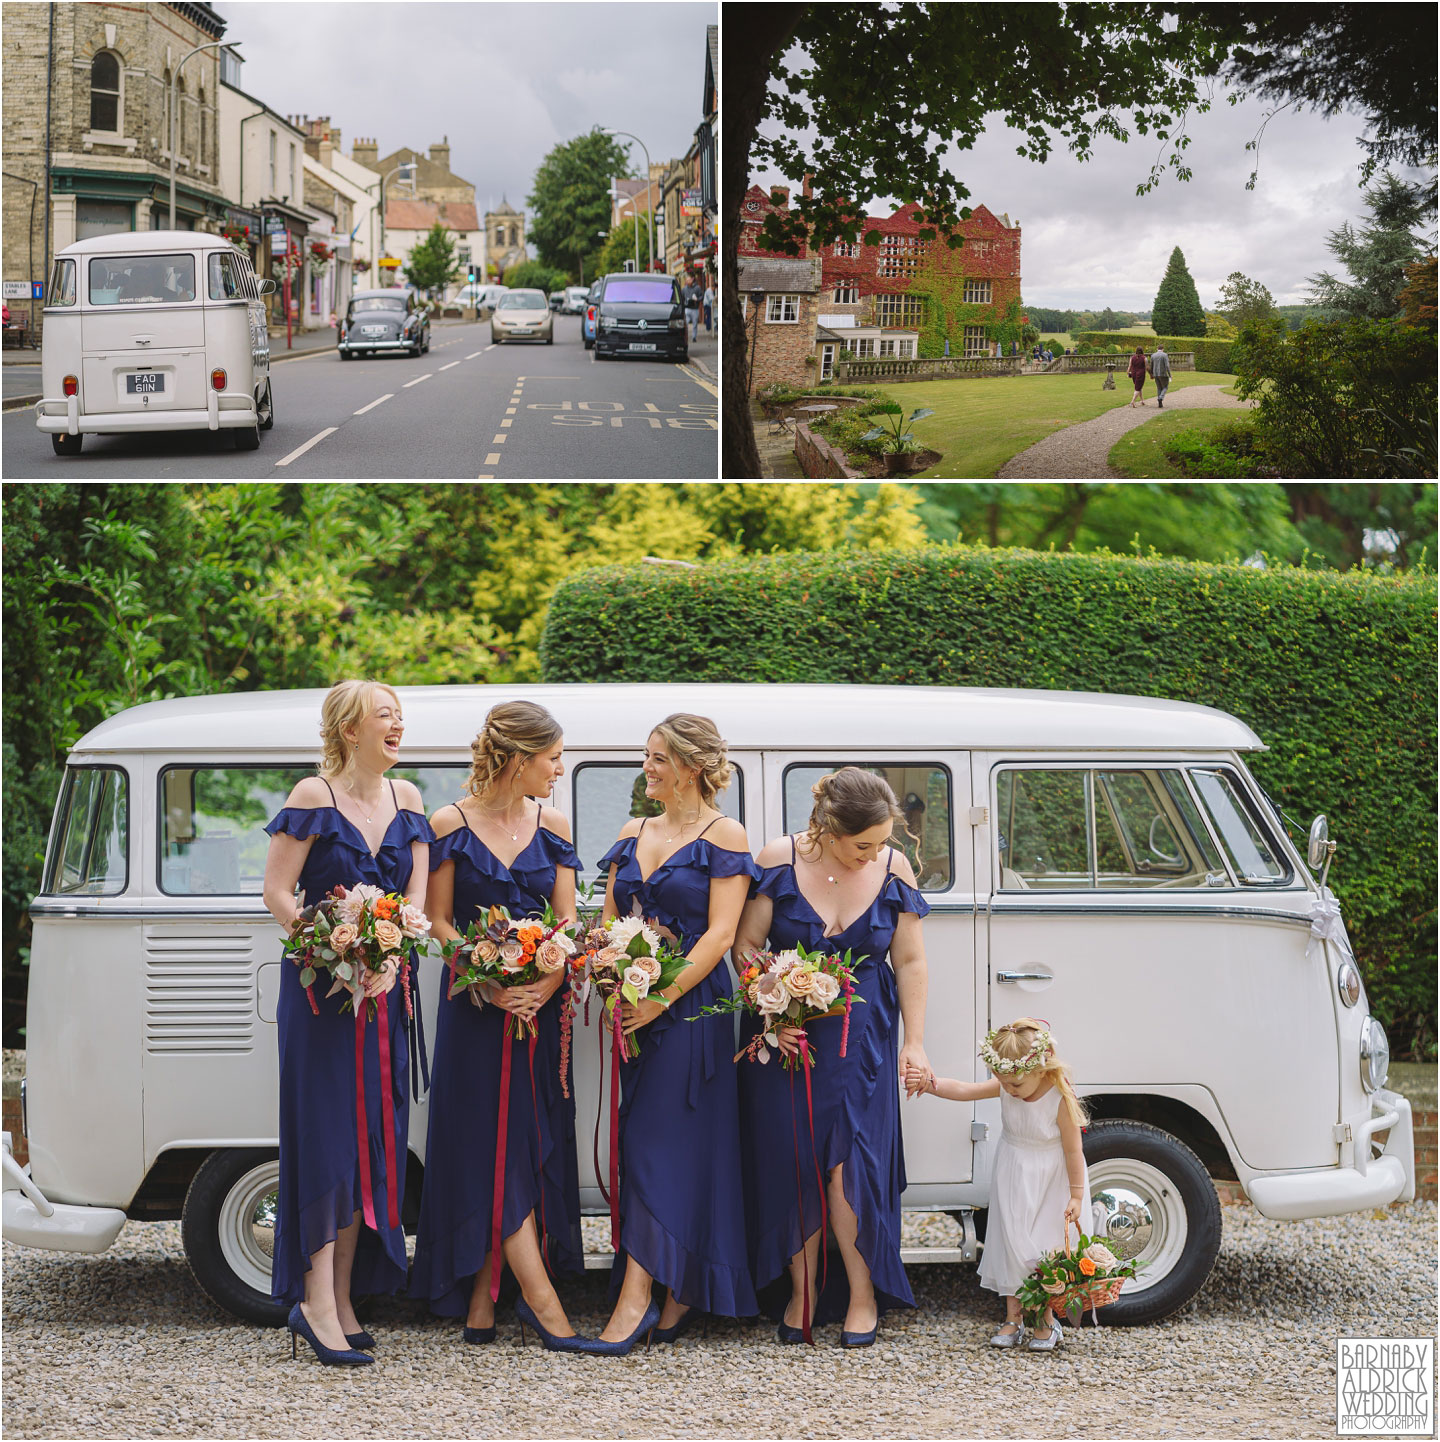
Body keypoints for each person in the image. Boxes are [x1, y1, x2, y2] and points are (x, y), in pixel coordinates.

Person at [409, 701, 593, 1354]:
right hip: (475, 1012)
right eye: (552, 758)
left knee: (524, 1143)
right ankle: (543, 1306)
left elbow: (568, 919)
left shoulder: (555, 823)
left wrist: (544, 979)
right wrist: (483, 975)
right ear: (518, 759)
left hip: (540, 1012)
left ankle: (486, 1299)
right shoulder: (449, 823)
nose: (558, 770)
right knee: (488, 1147)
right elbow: (436, 919)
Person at [261, 681, 433, 1366]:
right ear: (350, 728)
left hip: (386, 993)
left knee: (372, 1142)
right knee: (328, 1140)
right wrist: (332, 943)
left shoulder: (409, 800)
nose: (398, 725)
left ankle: (344, 1295)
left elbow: (413, 902)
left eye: (400, 716)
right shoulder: (312, 797)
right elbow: (277, 891)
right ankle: (314, 1302)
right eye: (385, 716)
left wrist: (392, 950)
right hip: (321, 1000)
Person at [736, 768, 932, 1348]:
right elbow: (747, 945)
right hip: (789, 1036)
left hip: (863, 1037)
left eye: (881, 842)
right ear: (826, 827)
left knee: (850, 1165)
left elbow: (912, 961)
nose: (874, 854)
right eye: (862, 845)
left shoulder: (893, 867)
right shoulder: (779, 857)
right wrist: (772, 1006)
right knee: (794, 1159)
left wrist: (914, 1042)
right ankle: (802, 1292)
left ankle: (863, 1294)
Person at [593, 714, 759, 1354]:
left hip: (692, 1009)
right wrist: (613, 979)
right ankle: (678, 1285)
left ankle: (638, 1298)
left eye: (658, 758)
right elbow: (610, 922)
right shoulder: (632, 831)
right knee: (647, 1140)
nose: (647, 768)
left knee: (665, 1143)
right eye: (647, 755)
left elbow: (721, 934)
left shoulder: (727, 834)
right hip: (635, 1006)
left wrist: (661, 998)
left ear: (691, 766)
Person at [907, 1018, 1090, 1353]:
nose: (1009, 1090)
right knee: (1012, 1243)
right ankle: (1013, 1317)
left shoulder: (1059, 1098)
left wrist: (1077, 1193)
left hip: (1051, 1177)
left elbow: (1073, 1150)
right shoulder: (1009, 1084)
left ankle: (1046, 1320)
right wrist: (930, 1084)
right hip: (1013, 1169)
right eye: (1003, 1082)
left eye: (1016, 1083)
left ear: (1041, 1067)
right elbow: (965, 1090)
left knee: (1043, 1250)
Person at [1150, 342, 1171, 407]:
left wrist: (1151, 374)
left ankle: (1160, 403)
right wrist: (1170, 375)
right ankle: (1160, 398)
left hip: (1155, 374)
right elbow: (1167, 366)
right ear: (1163, 349)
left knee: (1159, 388)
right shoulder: (1165, 355)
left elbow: (1151, 366)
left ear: (1157, 348)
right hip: (1163, 374)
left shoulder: (1153, 355)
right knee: (1165, 387)